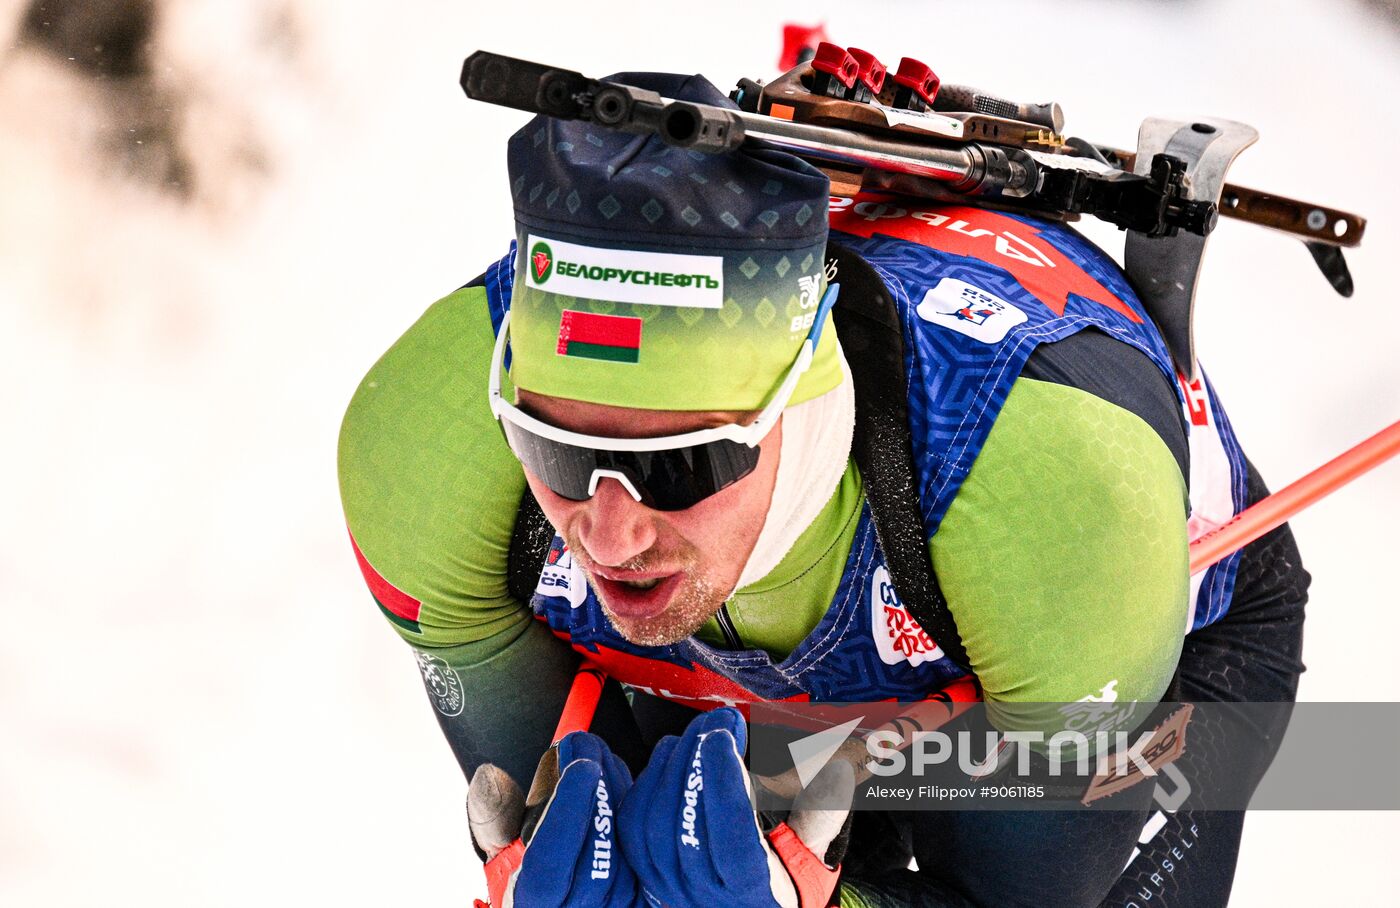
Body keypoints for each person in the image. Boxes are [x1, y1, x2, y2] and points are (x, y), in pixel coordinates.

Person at [338, 71, 1309, 907]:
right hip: (759, 663)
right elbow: (579, 839)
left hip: (1068, 633)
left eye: (678, 463)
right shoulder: (422, 458)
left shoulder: (1051, 503)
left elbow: (1027, 893)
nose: (606, 530)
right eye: (551, 451)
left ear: (793, 400)